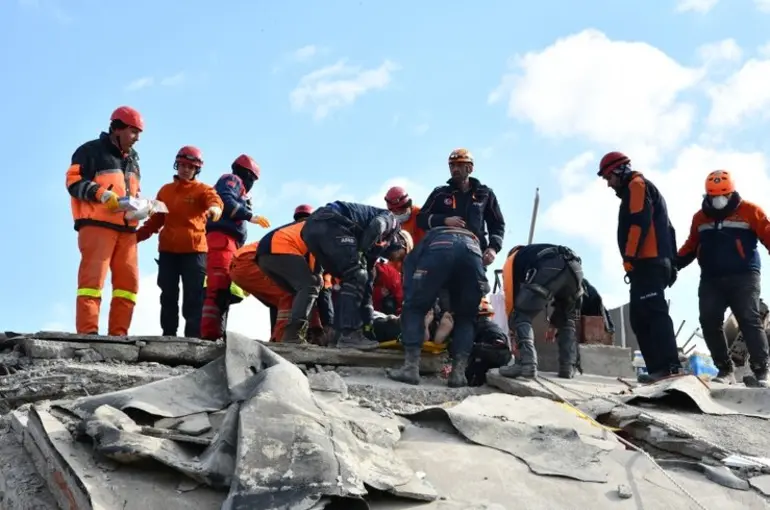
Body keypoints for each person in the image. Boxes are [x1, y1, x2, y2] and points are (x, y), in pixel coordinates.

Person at [676, 170, 770, 387]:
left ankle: (761, 371)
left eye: (723, 194)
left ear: (731, 192)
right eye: (713, 195)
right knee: (709, 321)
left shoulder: (750, 211)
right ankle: (725, 369)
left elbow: (767, 233)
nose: (719, 199)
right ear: (707, 195)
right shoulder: (700, 218)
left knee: (749, 318)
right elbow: (691, 245)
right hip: (711, 278)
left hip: (745, 275)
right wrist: (674, 265)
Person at [598, 151, 682, 383]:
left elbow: (638, 223)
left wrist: (630, 257)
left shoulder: (637, 186)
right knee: (639, 317)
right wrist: (671, 263)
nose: (608, 184)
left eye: (608, 178)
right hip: (651, 263)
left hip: (647, 263)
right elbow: (669, 229)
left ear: (618, 171)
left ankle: (669, 368)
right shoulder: (641, 189)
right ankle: (659, 369)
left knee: (653, 313)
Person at [65, 106, 143, 336]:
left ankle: (119, 335)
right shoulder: (89, 151)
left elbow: (132, 191)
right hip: (96, 225)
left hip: (127, 229)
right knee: (92, 281)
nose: (137, 138)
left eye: (139, 133)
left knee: (128, 287)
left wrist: (140, 207)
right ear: (117, 129)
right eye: (133, 131)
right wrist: (101, 194)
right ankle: (88, 333)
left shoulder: (134, 160)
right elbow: (73, 182)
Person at [136, 146, 223, 337]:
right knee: (168, 295)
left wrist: (215, 209)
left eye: (190, 167)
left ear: (196, 170)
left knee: (193, 297)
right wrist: (134, 237)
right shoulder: (166, 191)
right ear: (177, 165)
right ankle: (168, 335)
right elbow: (155, 221)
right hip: (168, 251)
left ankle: (192, 338)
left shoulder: (203, 190)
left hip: (195, 252)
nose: (185, 169)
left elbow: (214, 200)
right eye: (182, 165)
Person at [386, 226, 487, 387]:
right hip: (473, 253)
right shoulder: (473, 241)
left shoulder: (428, 238)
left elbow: (410, 270)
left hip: (440, 247)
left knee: (414, 308)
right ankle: (458, 374)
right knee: (466, 317)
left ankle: (410, 369)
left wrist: (410, 299)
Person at [301, 201, 407, 350]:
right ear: (402, 242)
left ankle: (338, 336)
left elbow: (367, 290)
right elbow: (377, 225)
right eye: (402, 256)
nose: (396, 261)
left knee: (352, 280)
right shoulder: (392, 222)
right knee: (356, 274)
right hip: (331, 222)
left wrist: (368, 325)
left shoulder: (373, 250)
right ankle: (349, 335)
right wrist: (360, 252)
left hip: (311, 231)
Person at [200, 154, 271, 340]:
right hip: (221, 241)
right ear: (248, 174)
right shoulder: (232, 180)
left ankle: (215, 332)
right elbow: (225, 200)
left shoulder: (239, 189)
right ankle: (210, 334)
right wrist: (249, 215)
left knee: (223, 289)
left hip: (228, 243)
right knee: (217, 287)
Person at [498, 243, 584, 379]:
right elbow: (562, 305)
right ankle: (567, 367)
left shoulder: (512, 259)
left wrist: (513, 328)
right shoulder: (536, 252)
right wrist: (554, 323)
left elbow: (511, 295)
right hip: (575, 269)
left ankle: (527, 364)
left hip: (551, 266)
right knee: (567, 319)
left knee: (521, 314)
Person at [256, 205, 333, 343]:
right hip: (278, 250)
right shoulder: (319, 229)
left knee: (296, 293)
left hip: (263, 255)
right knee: (312, 283)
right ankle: (294, 336)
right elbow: (316, 271)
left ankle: (287, 336)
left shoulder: (296, 228)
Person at [417, 148, 505, 268]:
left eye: (459, 165)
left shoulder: (485, 194)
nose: (455, 169)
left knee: (479, 287)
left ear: (470, 168)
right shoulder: (440, 194)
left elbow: (497, 224)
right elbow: (420, 219)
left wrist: (493, 248)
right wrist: (444, 220)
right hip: (442, 256)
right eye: (452, 166)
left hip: (474, 255)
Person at [466, 298, 512, 386]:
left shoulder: (480, 327)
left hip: (492, 354)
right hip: (502, 357)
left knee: (469, 348)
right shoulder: (494, 327)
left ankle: (474, 381)